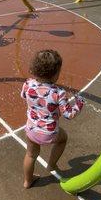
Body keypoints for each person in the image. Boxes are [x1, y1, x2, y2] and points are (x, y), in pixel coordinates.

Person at [21, 49, 85, 188]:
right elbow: (69, 115)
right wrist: (79, 104)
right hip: (49, 133)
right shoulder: (58, 93)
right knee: (63, 139)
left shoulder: (28, 83)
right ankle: (51, 164)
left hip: (31, 129)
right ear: (55, 75)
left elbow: (24, 96)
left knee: (31, 154)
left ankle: (28, 181)